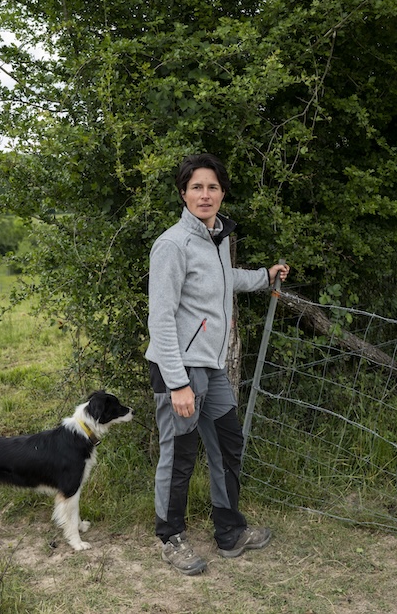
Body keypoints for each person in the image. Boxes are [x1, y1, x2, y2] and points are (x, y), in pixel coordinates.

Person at [146, 153, 290, 575]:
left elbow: (226, 280)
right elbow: (161, 318)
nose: (205, 194)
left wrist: (264, 276)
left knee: (228, 445)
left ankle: (230, 532)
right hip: (180, 369)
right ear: (183, 193)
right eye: (196, 187)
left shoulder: (217, 238)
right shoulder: (172, 244)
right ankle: (171, 538)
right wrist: (177, 383)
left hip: (211, 366)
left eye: (212, 187)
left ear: (223, 193)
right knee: (179, 456)